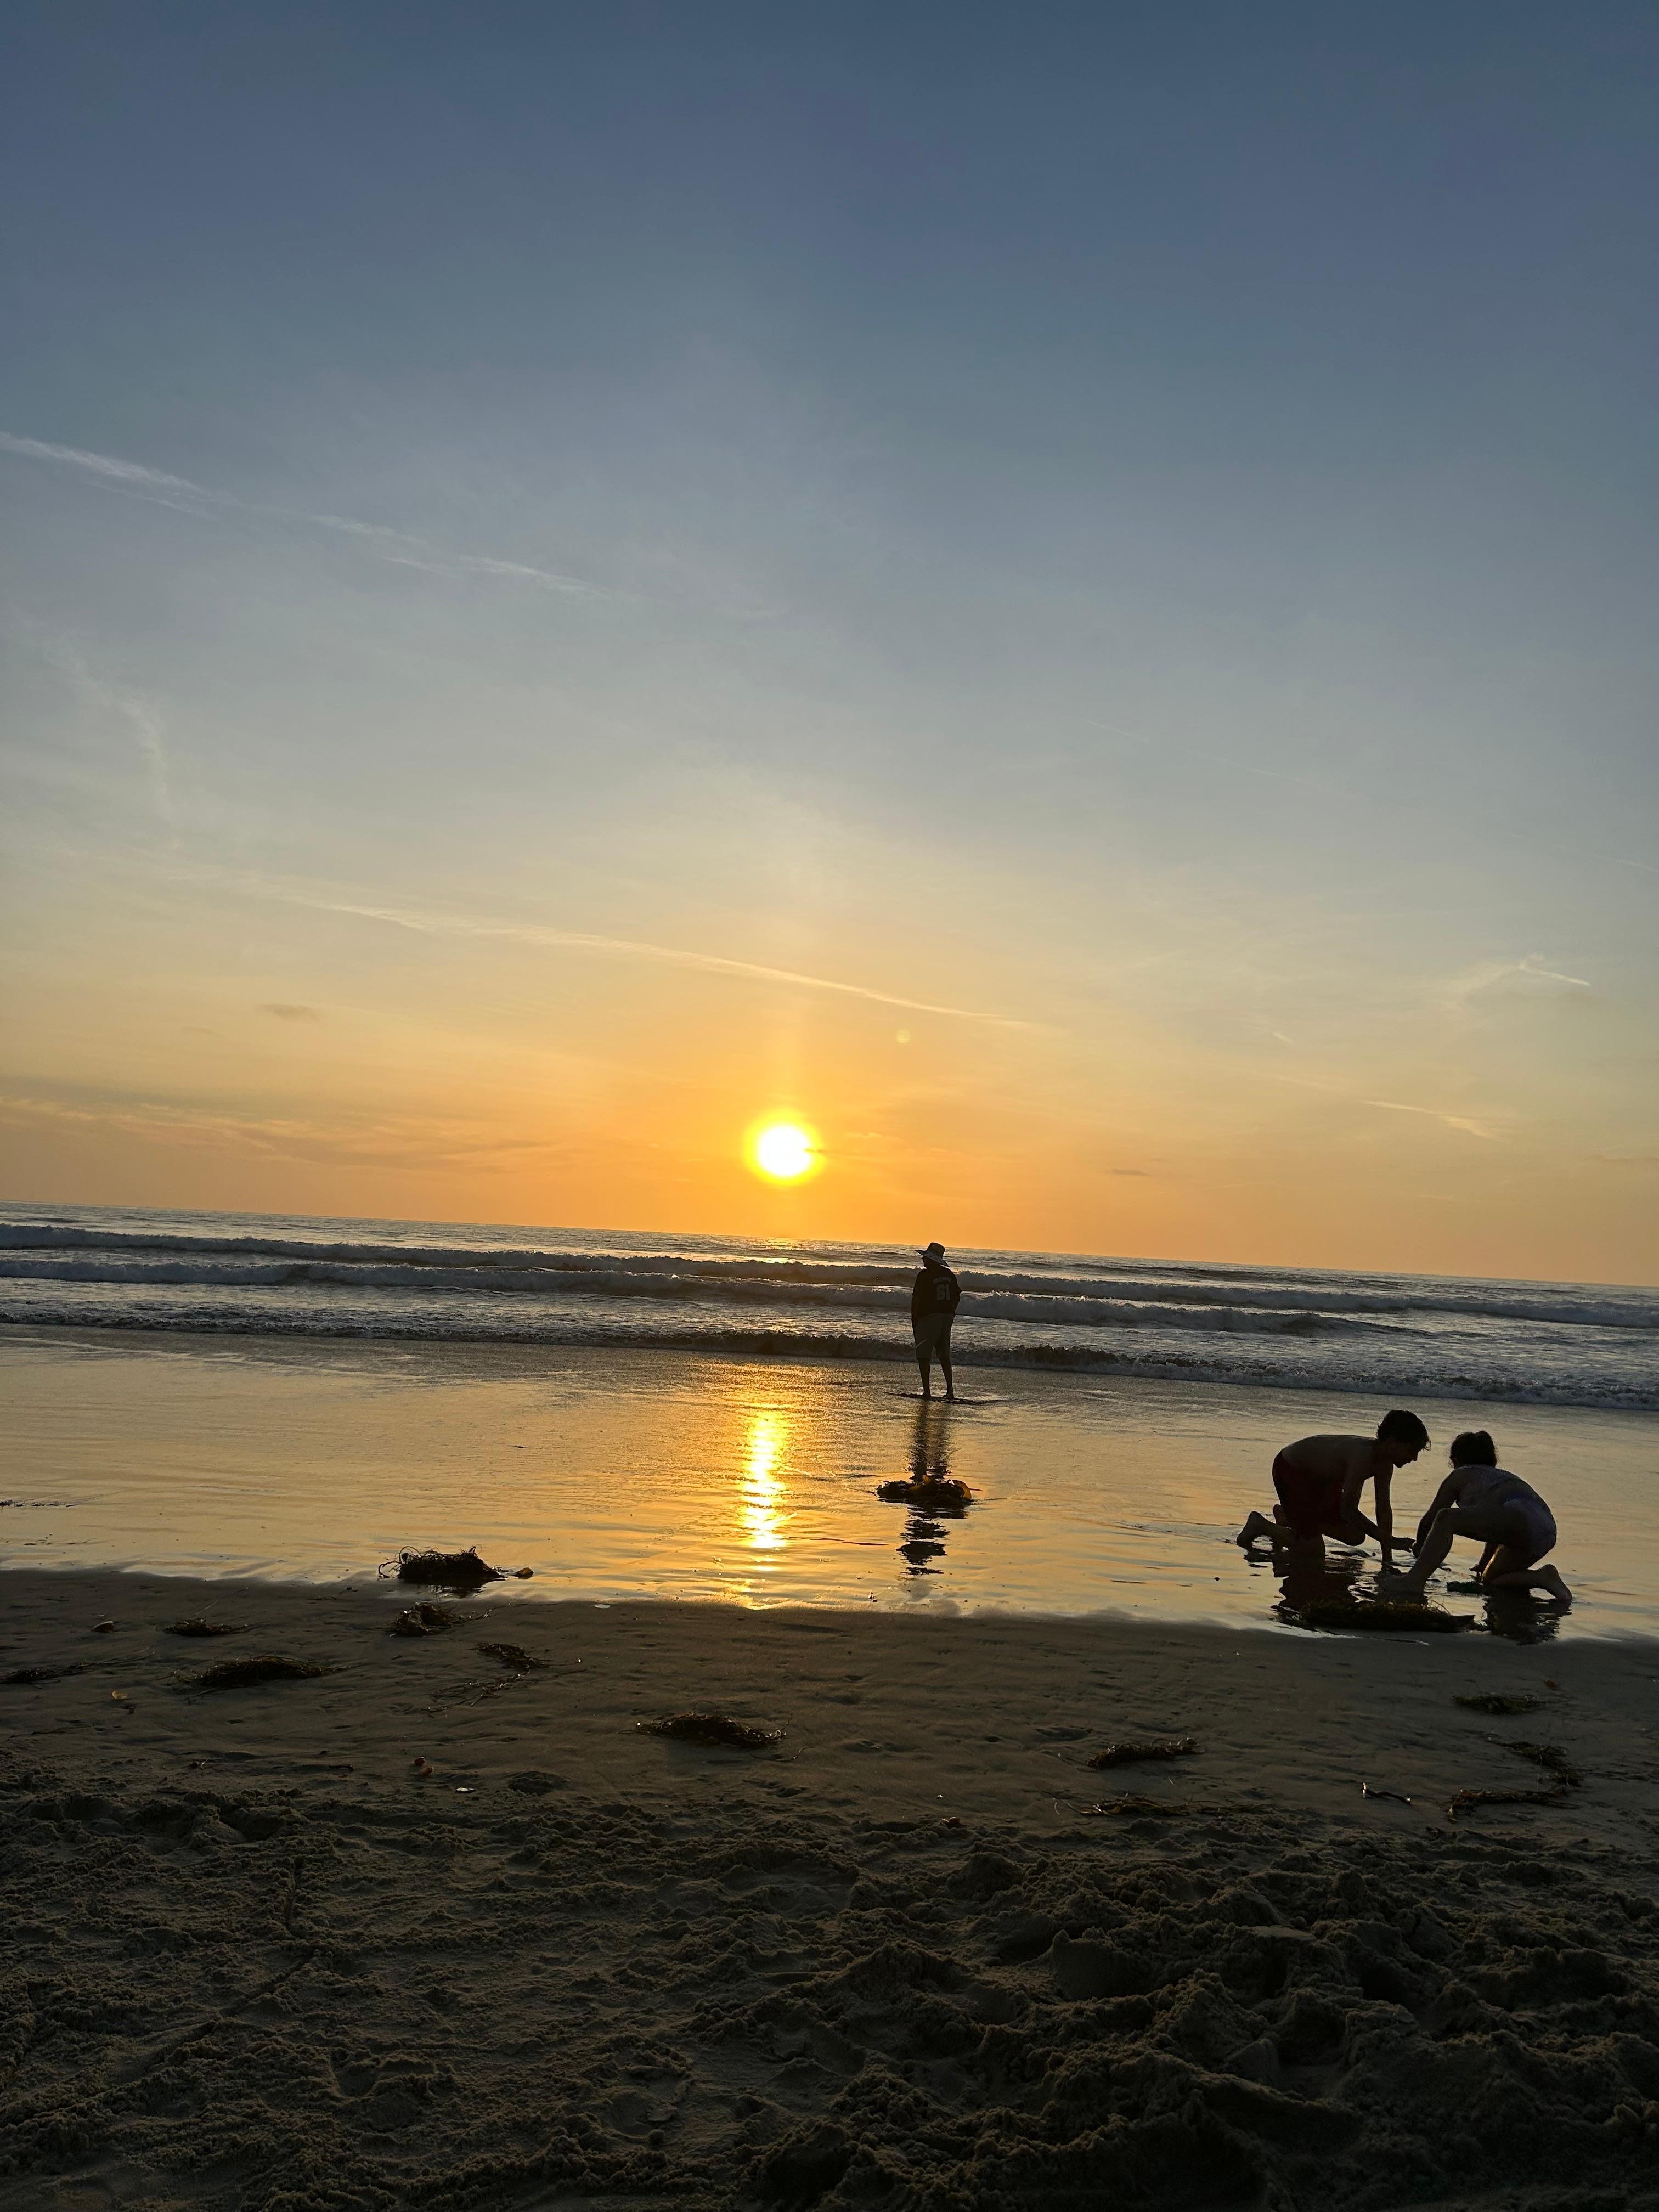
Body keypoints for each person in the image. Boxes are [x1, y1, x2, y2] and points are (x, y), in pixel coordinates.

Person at [1388, 1430, 1570, 1602]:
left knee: (1446, 1517)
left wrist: (1420, 1546)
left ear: (1455, 1461)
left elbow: (1432, 1518)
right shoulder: (1500, 1478)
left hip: (1519, 1517)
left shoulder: (1460, 1475)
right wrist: (1484, 1563)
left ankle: (1414, 1581)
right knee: (1491, 1579)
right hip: (1546, 1529)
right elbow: (1494, 1528)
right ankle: (1542, 1577)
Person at [1234, 1410, 1430, 1564]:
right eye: (1411, 1451)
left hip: (1323, 1482)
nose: (1414, 1458)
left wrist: (1387, 1559)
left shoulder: (1385, 1464)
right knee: (1313, 1551)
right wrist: (1390, 1540)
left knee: (1355, 1535)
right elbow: (1348, 1510)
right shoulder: (1362, 1457)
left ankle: (1288, 1517)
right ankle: (1260, 1525)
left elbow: (1383, 1509)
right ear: (1393, 1442)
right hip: (1292, 1469)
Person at [911, 1240, 961, 1401]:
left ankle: (927, 1392)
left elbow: (917, 1300)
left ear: (931, 1259)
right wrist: (952, 1311)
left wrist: (915, 1320)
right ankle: (950, 1390)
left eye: (925, 1257)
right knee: (944, 1354)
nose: (923, 1260)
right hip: (946, 1317)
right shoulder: (949, 1275)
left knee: (924, 1356)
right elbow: (957, 1296)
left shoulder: (924, 1276)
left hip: (929, 1317)